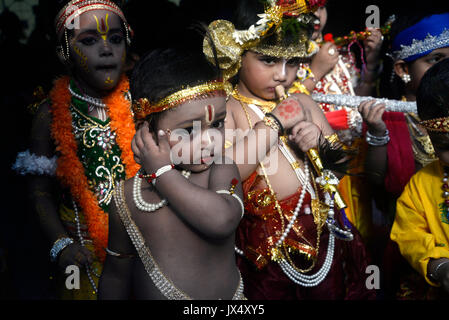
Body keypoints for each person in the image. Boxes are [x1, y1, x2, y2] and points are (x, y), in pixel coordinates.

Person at [203, 0, 374, 299]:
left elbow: (338, 166)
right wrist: (275, 122)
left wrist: (319, 144)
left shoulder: (305, 103)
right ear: (238, 55)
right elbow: (225, 177)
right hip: (264, 251)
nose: (282, 74)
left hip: (322, 237)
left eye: (292, 62)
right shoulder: (227, 109)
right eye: (268, 61)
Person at [12, 0, 139, 299]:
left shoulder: (141, 99)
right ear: (64, 53)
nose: (106, 49)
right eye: (89, 41)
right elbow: (39, 190)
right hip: (84, 253)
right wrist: (61, 244)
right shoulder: (50, 114)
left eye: (116, 39)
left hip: (143, 245)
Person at [98, 46, 246, 300]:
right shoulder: (127, 197)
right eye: (189, 130)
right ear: (147, 131)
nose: (209, 140)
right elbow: (116, 275)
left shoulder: (220, 170)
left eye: (218, 124)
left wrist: (162, 172)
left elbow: (222, 221)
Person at [361, 11, 449, 299]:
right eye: (436, 59)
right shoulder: (388, 115)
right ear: (402, 70)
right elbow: (375, 181)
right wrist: (377, 132)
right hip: (409, 236)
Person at [390, 57, 449, 299]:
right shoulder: (420, 186)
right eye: (446, 146)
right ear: (432, 142)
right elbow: (409, 235)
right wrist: (440, 267)